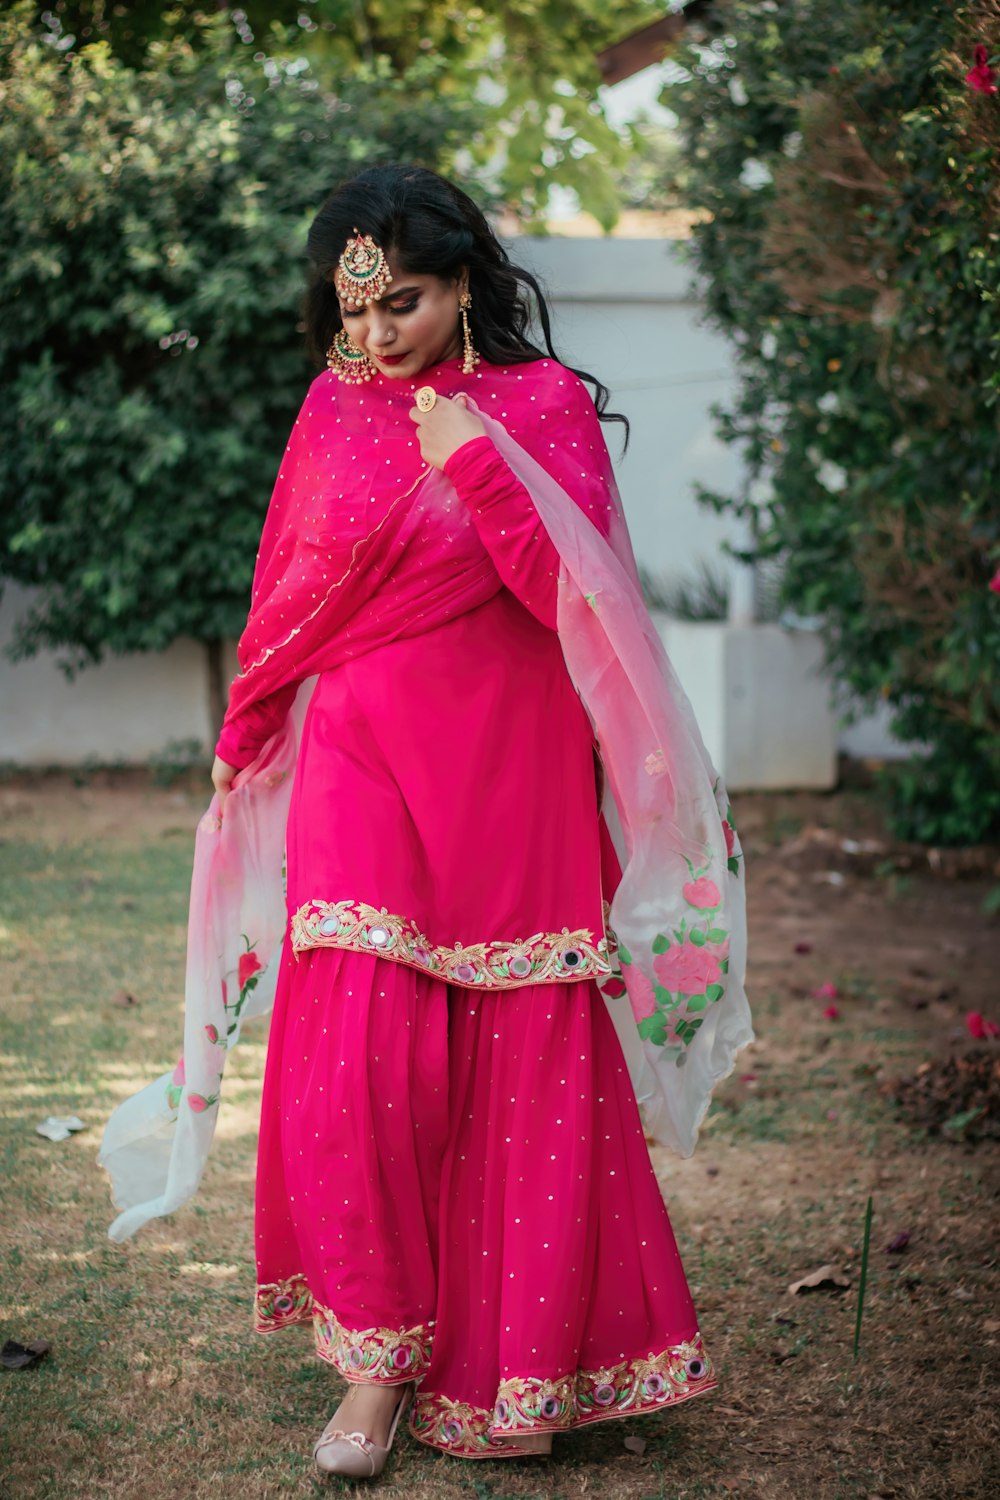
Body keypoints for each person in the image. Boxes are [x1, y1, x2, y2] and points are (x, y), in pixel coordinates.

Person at [99, 163, 752, 1481]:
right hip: (358, 751)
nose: (379, 331)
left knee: (515, 1061)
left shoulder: (543, 406)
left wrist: (484, 465)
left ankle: (517, 1366)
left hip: (510, 757)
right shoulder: (333, 413)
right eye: (355, 308)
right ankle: (373, 1369)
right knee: (360, 1070)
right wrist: (243, 734)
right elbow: (290, 586)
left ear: (465, 288)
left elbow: (582, 605)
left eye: (404, 300)